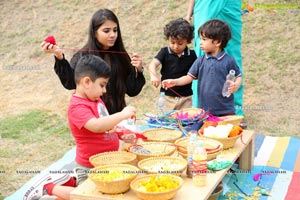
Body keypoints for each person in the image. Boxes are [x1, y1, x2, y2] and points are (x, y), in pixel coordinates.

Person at [24, 55, 137, 200]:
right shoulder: (77, 107)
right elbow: (96, 126)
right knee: (90, 196)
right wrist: (122, 114)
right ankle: (49, 188)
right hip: (89, 167)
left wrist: (120, 133)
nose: (104, 91)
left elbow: (105, 126)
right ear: (87, 82)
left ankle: (71, 182)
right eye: (102, 85)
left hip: (106, 164)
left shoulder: (95, 100)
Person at [41, 8, 145, 114]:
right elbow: (71, 83)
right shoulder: (83, 56)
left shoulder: (121, 56)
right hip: (92, 120)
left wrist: (139, 70)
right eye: (106, 31)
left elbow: (132, 90)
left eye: (115, 30)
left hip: (117, 120)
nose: (113, 34)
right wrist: (59, 57)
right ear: (95, 33)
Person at [162, 19, 242, 117]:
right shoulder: (200, 61)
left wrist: (236, 85)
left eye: (204, 39)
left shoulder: (229, 61)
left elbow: (238, 76)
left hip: (226, 111)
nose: (200, 43)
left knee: (228, 131)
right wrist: (175, 82)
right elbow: (188, 77)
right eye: (200, 39)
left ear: (217, 42)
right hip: (205, 111)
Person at [185, 0, 244, 116]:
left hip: (231, 5)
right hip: (206, 5)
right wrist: (188, 14)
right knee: (204, 50)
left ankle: (234, 112)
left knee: (232, 55)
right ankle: (201, 111)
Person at [149, 18, 197, 111]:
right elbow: (153, 64)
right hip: (166, 97)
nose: (175, 46)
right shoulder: (164, 52)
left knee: (185, 122)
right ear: (168, 39)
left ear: (188, 41)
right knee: (166, 122)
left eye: (180, 43)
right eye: (172, 42)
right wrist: (153, 76)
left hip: (186, 98)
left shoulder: (192, 55)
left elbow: (196, 74)